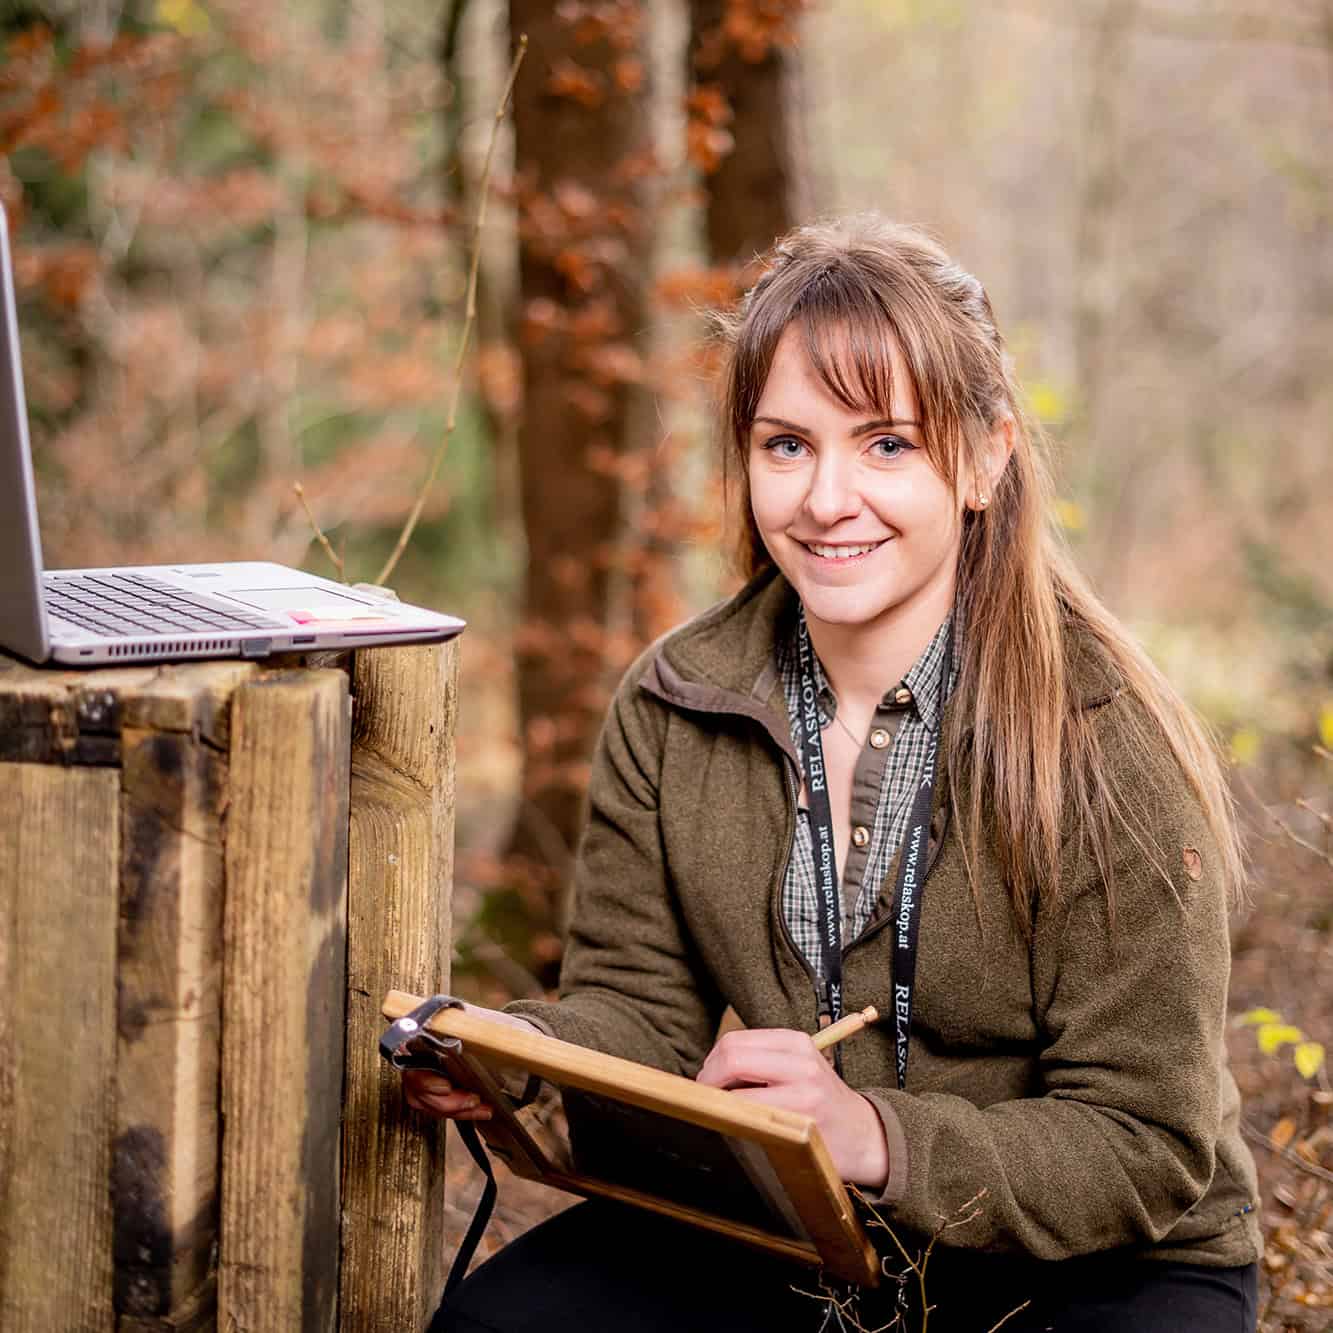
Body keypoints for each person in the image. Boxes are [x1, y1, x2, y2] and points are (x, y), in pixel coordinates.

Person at [404, 214, 1262, 1332]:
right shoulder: (674, 701)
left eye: (887, 444)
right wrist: (522, 1052)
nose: (824, 499)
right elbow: (644, 1016)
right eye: (787, 444)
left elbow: (1147, 1147)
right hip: (801, 1229)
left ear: (986, 456)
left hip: (1101, 1266)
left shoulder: (1104, 743)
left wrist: (868, 1133)